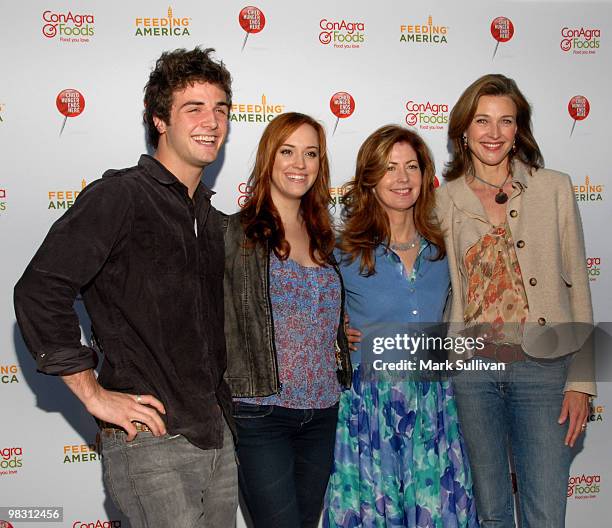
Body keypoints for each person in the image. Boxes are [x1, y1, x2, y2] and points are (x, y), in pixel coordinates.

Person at [14, 47, 237, 527]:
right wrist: (94, 394)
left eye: (220, 109)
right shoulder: (120, 196)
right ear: (160, 120)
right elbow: (39, 290)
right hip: (151, 443)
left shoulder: (212, 220)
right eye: (193, 108)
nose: (211, 121)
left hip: (217, 437)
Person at [436, 73, 596, 527]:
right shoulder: (443, 201)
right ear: (463, 131)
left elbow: (579, 288)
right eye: (482, 121)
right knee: (491, 511)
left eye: (505, 121)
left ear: (518, 129)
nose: (493, 133)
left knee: (545, 509)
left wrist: (581, 382)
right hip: (474, 372)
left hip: (544, 371)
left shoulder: (555, 189)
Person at [324, 125, 478, 528]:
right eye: (390, 167)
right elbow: (311, 317)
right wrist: (335, 337)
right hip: (369, 410)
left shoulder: (443, 249)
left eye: (411, 166)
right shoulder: (343, 252)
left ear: (427, 176)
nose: (402, 178)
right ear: (370, 180)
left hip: (433, 406)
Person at [224, 112, 352, 528]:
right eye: (288, 151)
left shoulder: (323, 234)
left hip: (322, 409)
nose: (300, 163)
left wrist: (338, 332)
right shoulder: (237, 235)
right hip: (262, 412)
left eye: (311, 153)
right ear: (269, 158)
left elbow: (318, 311)